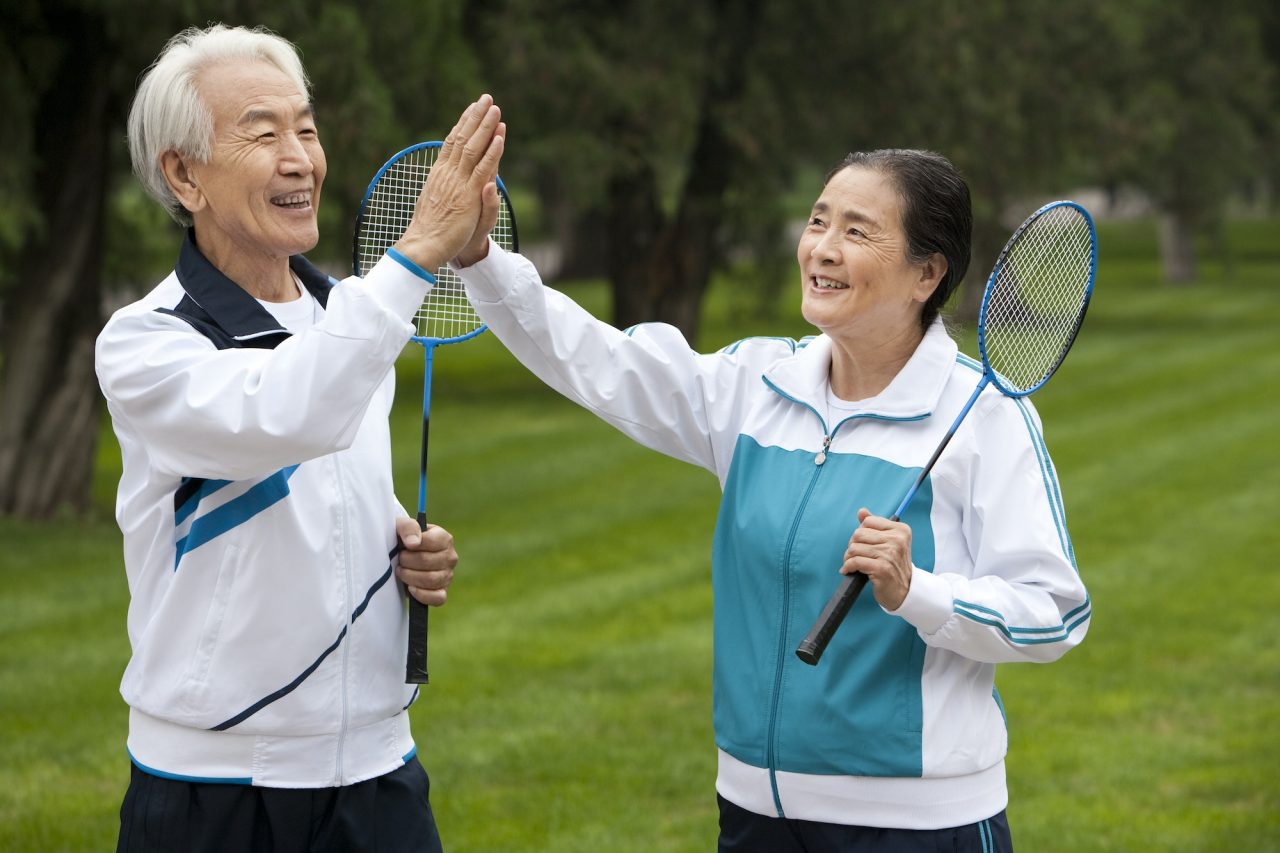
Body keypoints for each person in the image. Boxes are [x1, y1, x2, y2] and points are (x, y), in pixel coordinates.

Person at [451, 149, 1089, 851]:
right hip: (754, 811)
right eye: (818, 221)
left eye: (856, 231)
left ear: (927, 273)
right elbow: (601, 361)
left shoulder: (984, 416)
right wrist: (482, 259)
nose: (822, 248)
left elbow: (1052, 611)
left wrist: (918, 592)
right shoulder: (756, 385)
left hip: (917, 825)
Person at [95, 24, 504, 852]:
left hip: (380, 771)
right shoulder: (144, 342)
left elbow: (326, 471)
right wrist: (421, 247)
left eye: (307, 129)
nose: (299, 158)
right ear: (183, 174)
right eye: (263, 132)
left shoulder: (350, 317)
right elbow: (288, 414)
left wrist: (398, 537)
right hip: (212, 787)